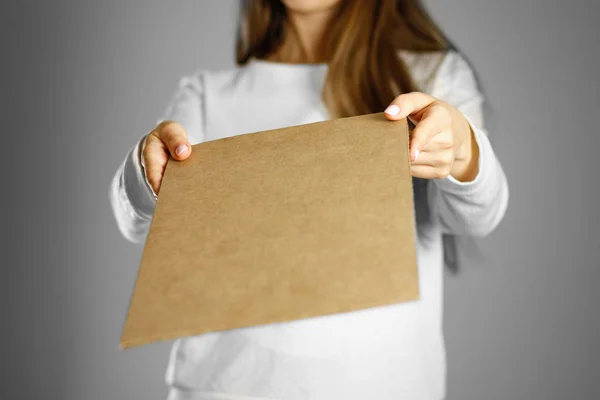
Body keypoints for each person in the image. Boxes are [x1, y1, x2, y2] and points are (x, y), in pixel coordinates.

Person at [109, 0, 509, 399]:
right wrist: (147, 169)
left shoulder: (432, 78)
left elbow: (478, 214)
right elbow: (140, 223)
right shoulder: (206, 95)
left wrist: (462, 149)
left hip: (382, 384)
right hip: (223, 386)